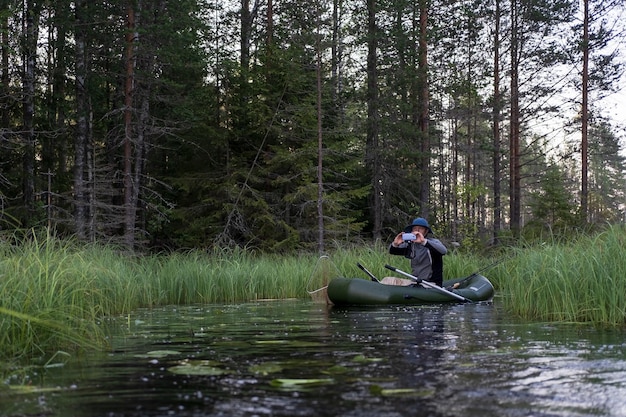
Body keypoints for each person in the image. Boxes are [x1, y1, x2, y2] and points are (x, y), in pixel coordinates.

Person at [383, 217, 447, 287]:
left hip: (431, 284)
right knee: (387, 280)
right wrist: (395, 244)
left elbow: (443, 251)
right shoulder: (410, 245)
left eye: (421, 228)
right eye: (415, 228)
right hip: (415, 282)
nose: (417, 230)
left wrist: (423, 242)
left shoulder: (433, 243)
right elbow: (392, 251)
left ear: (426, 231)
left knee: (417, 287)